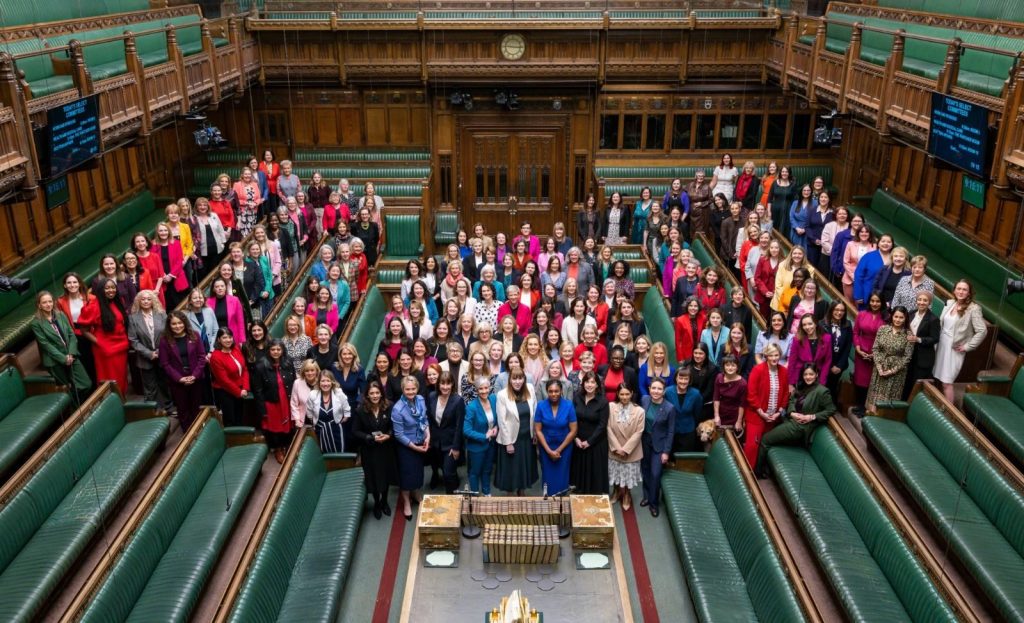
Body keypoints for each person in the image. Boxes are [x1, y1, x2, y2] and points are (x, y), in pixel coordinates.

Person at [754, 363, 835, 478]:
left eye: (811, 374)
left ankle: (757, 473)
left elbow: (831, 410)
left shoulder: (822, 391)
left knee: (765, 440)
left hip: (800, 427)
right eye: (805, 374)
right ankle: (767, 469)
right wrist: (792, 412)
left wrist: (811, 417)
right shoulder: (802, 386)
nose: (808, 377)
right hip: (790, 419)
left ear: (816, 374)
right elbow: (791, 399)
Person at [933, 279, 987, 403]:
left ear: (969, 293)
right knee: (938, 378)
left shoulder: (974, 309)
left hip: (954, 349)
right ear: (954, 290)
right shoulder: (950, 302)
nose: (961, 292)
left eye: (964, 289)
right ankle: (940, 404)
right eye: (959, 288)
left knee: (947, 382)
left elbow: (982, 331)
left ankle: (949, 413)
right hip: (941, 344)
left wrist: (968, 346)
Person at [30, 291, 91, 398]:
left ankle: (78, 405)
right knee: (66, 389)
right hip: (55, 361)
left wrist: (71, 354)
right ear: (39, 305)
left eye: (50, 301)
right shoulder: (36, 323)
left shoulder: (61, 315)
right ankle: (74, 410)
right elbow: (45, 345)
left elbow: (71, 335)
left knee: (86, 384)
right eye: (44, 302)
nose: (48, 304)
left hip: (70, 355)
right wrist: (63, 358)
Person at [352, 380, 398, 520]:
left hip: (386, 448)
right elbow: (355, 431)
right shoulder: (361, 409)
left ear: (381, 393)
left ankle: (384, 501)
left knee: (385, 475)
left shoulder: (389, 406)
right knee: (372, 477)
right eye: (372, 393)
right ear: (367, 395)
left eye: (377, 392)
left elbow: (394, 426)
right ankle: (377, 503)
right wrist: (369, 438)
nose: (375, 395)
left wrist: (388, 435)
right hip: (369, 449)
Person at [78, 278, 130, 397]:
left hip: (121, 346)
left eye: (113, 287)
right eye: (107, 288)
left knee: (122, 377)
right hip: (106, 350)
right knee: (110, 380)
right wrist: (99, 342)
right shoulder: (93, 306)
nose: (111, 290)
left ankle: (121, 402)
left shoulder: (118, 301)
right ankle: (111, 405)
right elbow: (83, 330)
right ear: (101, 290)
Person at [158, 311, 207, 431]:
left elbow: (202, 357)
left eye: (179, 323)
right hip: (177, 381)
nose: (177, 326)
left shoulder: (194, 335)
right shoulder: (164, 341)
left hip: (195, 378)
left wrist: (194, 376)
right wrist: (179, 378)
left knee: (195, 407)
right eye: (173, 324)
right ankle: (187, 433)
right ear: (169, 325)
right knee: (182, 408)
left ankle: (197, 430)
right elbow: (165, 363)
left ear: (184, 323)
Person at [494, 370, 539, 495]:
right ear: (509, 380)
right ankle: (510, 493)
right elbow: (501, 420)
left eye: (520, 379)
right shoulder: (502, 395)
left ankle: (522, 490)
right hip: (511, 438)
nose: (517, 382)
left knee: (524, 467)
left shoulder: (530, 388)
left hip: (526, 437)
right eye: (514, 379)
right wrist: (508, 442)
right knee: (511, 469)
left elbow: (534, 412)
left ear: (524, 379)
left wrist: (535, 433)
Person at [744, 344, 789, 466]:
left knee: (765, 446)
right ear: (766, 356)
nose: (774, 358)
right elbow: (751, 394)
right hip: (756, 415)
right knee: (752, 446)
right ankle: (748, 475)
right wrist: (761, 412)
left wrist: (779, 412)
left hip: (773, 418)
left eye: (777, 355)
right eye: (771, 355)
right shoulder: (758, 370)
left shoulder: (784, 371)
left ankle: (759, 471)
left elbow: (785, 393)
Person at [252, 340, 296, 463]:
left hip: (286, 399)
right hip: (271, 402)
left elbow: (294, 380)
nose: (276, 352)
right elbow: (258, 390)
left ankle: (286, 446)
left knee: (288, 425)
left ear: (282, 350)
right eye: (273, 349)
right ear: (268, 351)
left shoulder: (288, 361)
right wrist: (262, 409)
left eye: (278, 349)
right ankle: (277, 449)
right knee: (275, 426)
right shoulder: (260, 365)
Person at [392, 375, 429, 520]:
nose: (411, 392)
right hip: (406, 446)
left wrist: (428, 436)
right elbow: (399, 434)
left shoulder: (420, 399)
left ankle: (415, 492)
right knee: (407, 476)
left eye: (413, 389)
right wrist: (415, 448)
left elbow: (424, 419)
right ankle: (407, 501)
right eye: (407, 389)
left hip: (420, 441)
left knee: (418, 471)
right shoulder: (397, 409)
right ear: (402, 390)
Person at [866, 307, 914, 414]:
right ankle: (870, 417)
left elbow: (907, 357)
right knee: (874, 397)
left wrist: (891, 371)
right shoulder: (883, 329)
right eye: (896, 316)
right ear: (891, 316)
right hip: (879, 368)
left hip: (896, 373)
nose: (897, 320)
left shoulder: (909, 335)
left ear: (905, 319)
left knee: (888, 399)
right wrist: (879, 367)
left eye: (901, 317)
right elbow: (875, 348)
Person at [535, 379, 578, 495]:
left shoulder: (569, 405)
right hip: (546, 446)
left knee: (562, 475)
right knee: (547, 475)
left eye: (556, 391)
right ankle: (547, 500)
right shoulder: (540, 406)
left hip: (564, 447)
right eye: (551, 391)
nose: (554, 394)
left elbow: (573, 431)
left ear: (561, 391)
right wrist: (549, 451)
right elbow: (538, 430)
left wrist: (558, 450)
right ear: (547, 392)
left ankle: (562, 501)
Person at [569, 371, 609, 495]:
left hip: (596, 443)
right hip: (578, 441)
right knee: (579, 470)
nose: (590, 385)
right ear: (583, 383)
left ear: (597, 385)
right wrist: (575, 438)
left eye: (593, 382)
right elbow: (572, 419)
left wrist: (589, 441)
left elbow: (602, 425)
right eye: (587, 382)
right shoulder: (577, 397)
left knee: (594, 472)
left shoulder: (603, 402)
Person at [639, 378, 674, 518]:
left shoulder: (669, 408)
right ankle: (647, 496)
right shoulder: (644, 400)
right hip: (645, 441)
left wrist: (666, 452)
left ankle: (654, 503)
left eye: (659, 389)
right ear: (649, 389)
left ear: (664, 391)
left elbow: (671, 431)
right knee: (645, 470)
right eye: (653, 388)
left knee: (655, 473)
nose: (656, 391)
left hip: (660, 445)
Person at [127, 290, 168, 408]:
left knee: (164, 384)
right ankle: (153, 410)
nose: (146, 301)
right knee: (150, 387)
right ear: (138, 301)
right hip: (145, 358)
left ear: (153, 301)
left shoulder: (161, 314)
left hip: (162, 355)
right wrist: (149, 353)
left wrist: (160, 351)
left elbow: (167, 335)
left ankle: (168, 407)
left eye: (149, 299)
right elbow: (133, 340)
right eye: (143, 299)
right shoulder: (133, 318)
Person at [426, 371, 465, 494]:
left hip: (450, 443)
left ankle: (451, 498)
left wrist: (456, 447)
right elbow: (429, 419)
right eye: (442, 383)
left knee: (448, 473)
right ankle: (436, 477)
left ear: (452, 384)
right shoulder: (432, 396)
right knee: (438, 466)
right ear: (438, 384)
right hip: (434, 441)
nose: (445, 387)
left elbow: (459, 426)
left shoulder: (458, 400)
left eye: (448, 383)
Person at [607, 383, 644, 510]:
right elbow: (607, 428)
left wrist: (625, 449)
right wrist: (617, 447)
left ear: (632, 394)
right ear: (617, 394)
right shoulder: (611, 407)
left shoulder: (639, 411)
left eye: (627, 394)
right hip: (614, 449)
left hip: (631, 451)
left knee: (628, 476)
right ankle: (616, 492)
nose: (624, 397)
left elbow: (639, 432)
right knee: (616, 474)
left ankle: (627, 495)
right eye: (621, 394)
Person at [852, 292, 886, 415]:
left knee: (870, 381)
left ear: (882, 303)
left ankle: (866, 407)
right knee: (859, 380)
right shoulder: (861, 314)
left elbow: (886, 338)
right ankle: (859, 405)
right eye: (872, 301)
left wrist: (876, 353)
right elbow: (855, 332)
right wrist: (858, 348)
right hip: (861, 350)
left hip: (876, 352)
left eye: (877, 301)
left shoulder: (885, 318)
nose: (874, 304)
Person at [462, 376, 498, 495]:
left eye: (486, 388)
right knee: (475, 473)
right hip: (476, 447)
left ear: (490, 388)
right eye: (480, 389)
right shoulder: (471, 407)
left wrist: (496, 427)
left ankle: (487, 493)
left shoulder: (493, 399)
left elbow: (497, 419)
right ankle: (475, 496)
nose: (484, 391)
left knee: (487, 471)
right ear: (476, 390)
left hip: (491, 445)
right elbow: (466, 430)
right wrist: (484, 436)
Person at [904, 291, 940, 399]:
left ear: (929, 303)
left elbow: (935, 338)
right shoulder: (911, 313)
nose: (921, 302)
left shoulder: (933, 319)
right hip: (909, 354)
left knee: (916, 385)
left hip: (923, 357)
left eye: (925, 300)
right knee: (906, 382)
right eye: (919, 299)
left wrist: (918, 339)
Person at [210, 328, 249, 427]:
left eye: (230, 337)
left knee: (240, 417)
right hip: (225, 392)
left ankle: (241, 438)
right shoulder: (215, 356)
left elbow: (244, 369)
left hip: (241, 389)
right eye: (224, 337)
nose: (228, 340)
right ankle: (231, 441)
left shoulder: (236, 348)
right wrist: (239, 392)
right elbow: (223, 380)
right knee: (230, 419)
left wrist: (245, 387)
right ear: (218, 339)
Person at [305, 370, 350, 453]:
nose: (325, 384)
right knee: (322, 453)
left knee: (339, 452)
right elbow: (309, 411)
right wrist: (313, 420)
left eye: (328, 380)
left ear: (332, 382)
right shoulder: (313, 394)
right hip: (320, 430)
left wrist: (345, 418)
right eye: (323, 381)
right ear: (319, 382)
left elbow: (347, 409)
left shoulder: (339, 393)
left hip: (336, 430)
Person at [821, 300, 853, 402]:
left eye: (842, 310)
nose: (839, 313)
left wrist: (839, 365)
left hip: (839, 365)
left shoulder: (847, 325)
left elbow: (847, 347)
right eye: (836, 309)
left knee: (832, 389)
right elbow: (820, 348)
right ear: (831, 310)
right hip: (824, 364)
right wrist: (830, 366)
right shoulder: (822, 324)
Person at [787, 314, 832, 386]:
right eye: (804, 325)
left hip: (818, 376)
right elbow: (792, 361)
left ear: (816, 324)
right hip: (800, 376)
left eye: (810, 324)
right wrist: (790, 383)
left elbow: (827, 361)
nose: (807, 327)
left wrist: (822, 382)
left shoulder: (827, 338)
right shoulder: (797, 340)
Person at [666, 367, 702, 453]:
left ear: (690, 380)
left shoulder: (695, 394)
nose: (683, 381)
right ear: (676, 378)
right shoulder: (668, 391)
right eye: (681, 378)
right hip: (671, 431)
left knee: (685, 459)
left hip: (688, 431)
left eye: (686, 379)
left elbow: (697, 413)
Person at [854, 233, 893, 310]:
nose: (885, 243)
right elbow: (858, 275)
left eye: (888, 242)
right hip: (867, 295)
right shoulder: (868, 256)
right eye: (883, 241)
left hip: (886, 299)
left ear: (892, 245)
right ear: (878, 243)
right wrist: (858, 295)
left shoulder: (895, 258)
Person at [788, 184, 814, 248]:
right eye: (804, 190)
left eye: (808, 190)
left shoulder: (815, 203)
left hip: (808, 231)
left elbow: (815, 218)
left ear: (811, 192)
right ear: (801, 192)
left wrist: (805, 229)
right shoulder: (795, 203)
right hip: (796, 231)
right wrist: (797, 228)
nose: (806, 192)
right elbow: (791, 216)